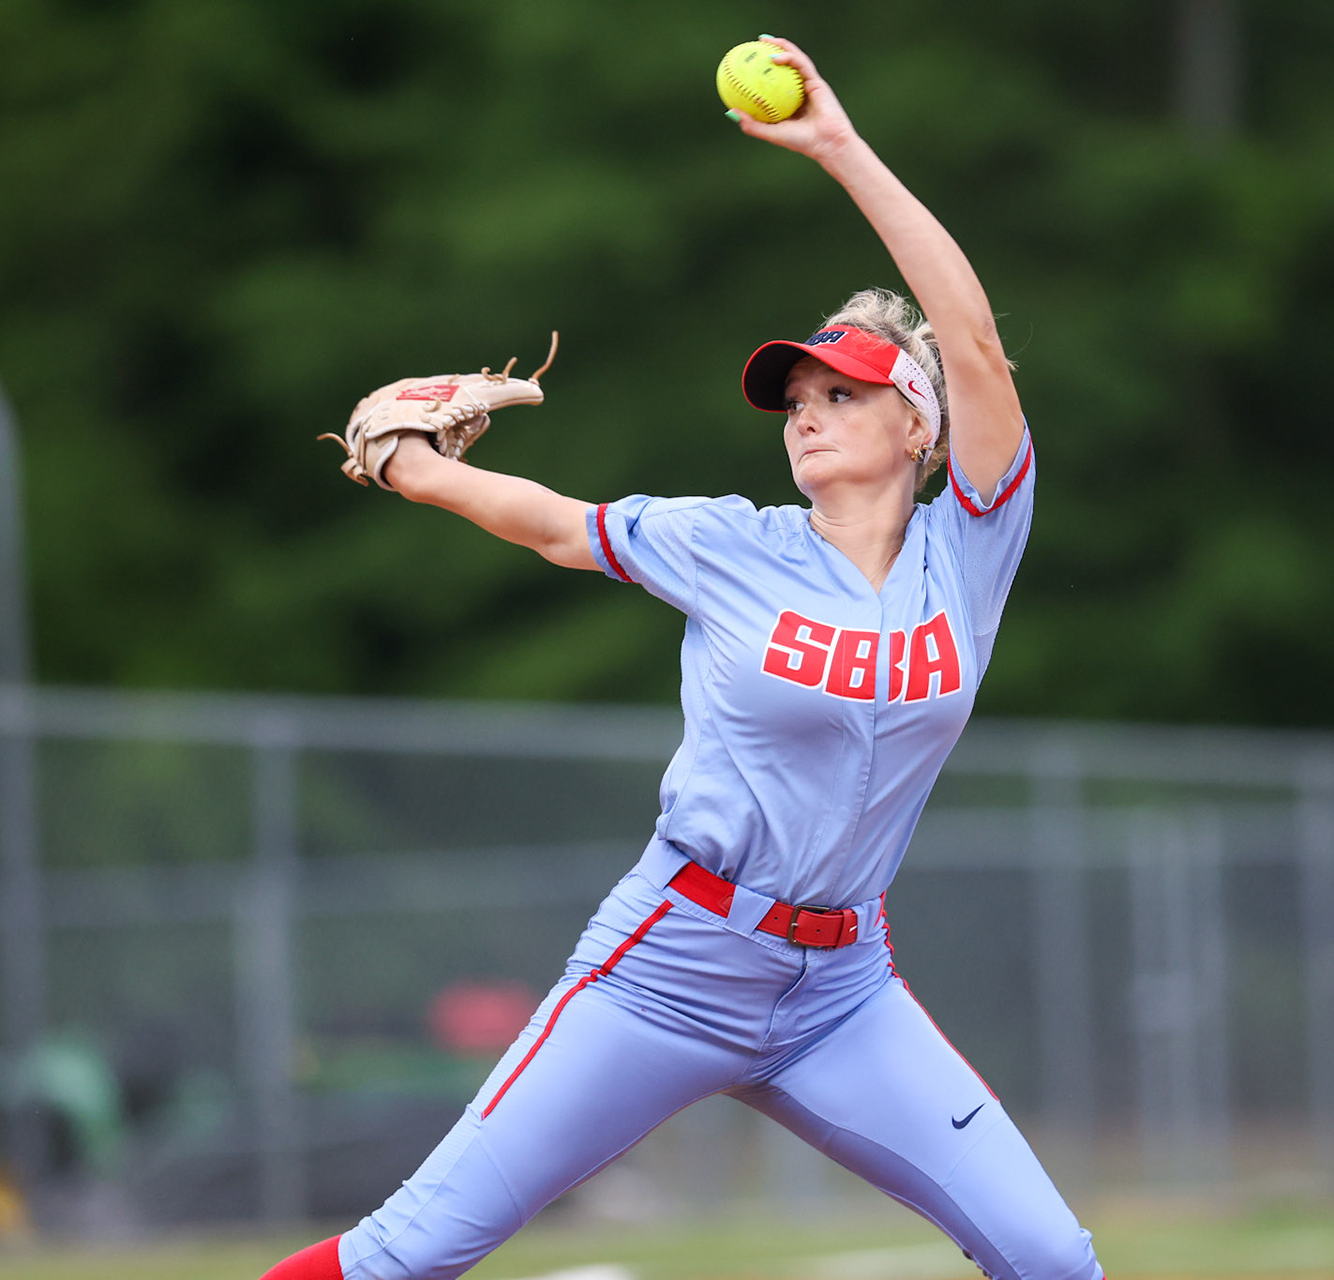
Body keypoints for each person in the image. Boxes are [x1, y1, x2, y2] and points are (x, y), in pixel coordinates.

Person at [262, 35, 1102, 1280]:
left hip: (842, 992)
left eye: (846, 393)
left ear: (918, 423)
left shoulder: (968, 549)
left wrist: (837, 147)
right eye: (797, 398)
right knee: (411, 1248)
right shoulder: (727, 543)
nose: (807, 411)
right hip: (668, 964)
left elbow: (972, 342)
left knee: (1053, 1258)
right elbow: (555, 527)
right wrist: (416, 466)